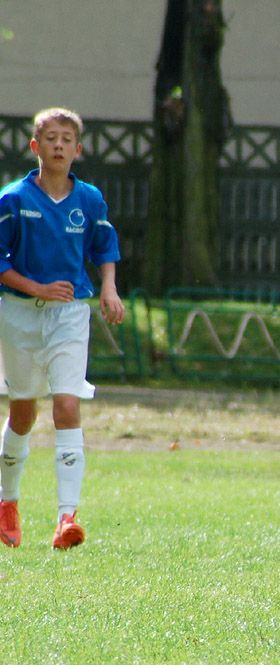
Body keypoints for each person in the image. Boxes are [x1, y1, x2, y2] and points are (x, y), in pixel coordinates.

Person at [0, 107, 124, 550]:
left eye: (66, 139)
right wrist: (36, 287)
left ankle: (66, 518)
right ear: (35, 146)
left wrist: (108, 288)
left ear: (78, 149)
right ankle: (7, 501)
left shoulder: (89, 199)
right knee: (23, 412)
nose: (58, 145)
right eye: (50, 138)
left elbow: (104, 246)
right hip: (19, 313)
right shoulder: (13, 199)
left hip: (69, 313)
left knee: (67, 405)